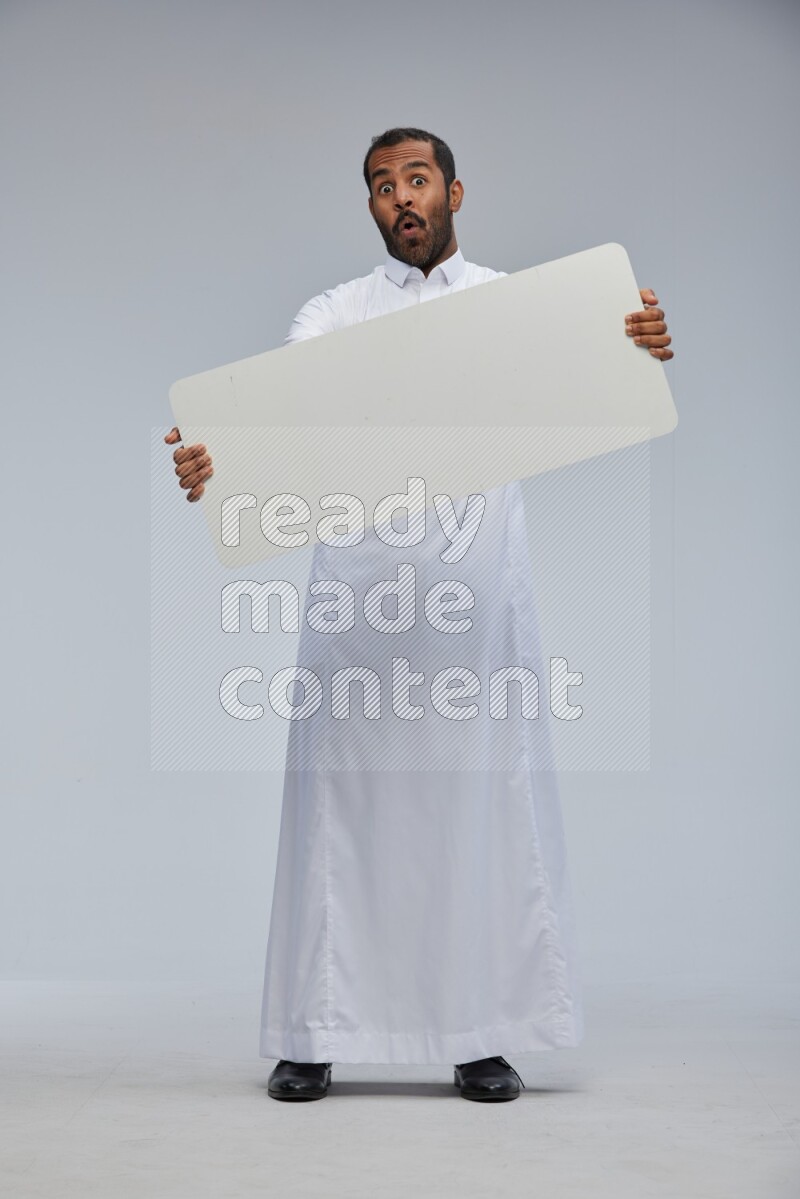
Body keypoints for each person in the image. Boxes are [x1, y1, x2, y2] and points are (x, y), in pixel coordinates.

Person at [165, 127, 673, 1103]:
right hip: (357, 597)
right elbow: (281, 418)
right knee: (338, 813)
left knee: (476, 807)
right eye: (380, 186)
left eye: (416, 179)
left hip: (474, 601)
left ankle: (480, 1030)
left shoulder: (509, 302)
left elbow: (596, 370)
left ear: (452, 191)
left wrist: (635, 340)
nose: (400, 197)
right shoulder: (331, 311)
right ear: (368, 207)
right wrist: (216, 458)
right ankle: (312, 1030)